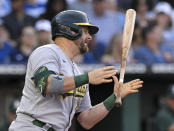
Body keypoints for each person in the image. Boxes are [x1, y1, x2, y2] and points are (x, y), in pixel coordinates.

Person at [9, 10, 143, 131]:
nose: (89, 37)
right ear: (71, 30)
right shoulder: (46, 52)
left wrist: (114, 98)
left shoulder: (77, 71)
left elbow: (86, 120)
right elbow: (48, 84)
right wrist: (87, 78)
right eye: (85, 31)